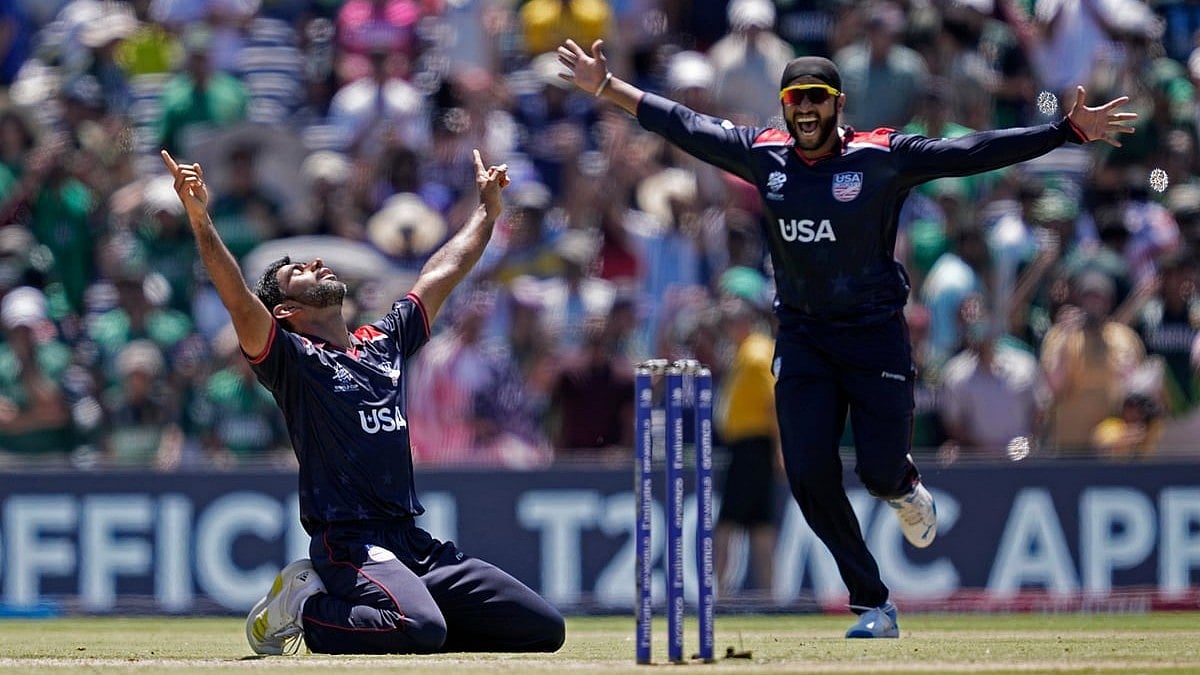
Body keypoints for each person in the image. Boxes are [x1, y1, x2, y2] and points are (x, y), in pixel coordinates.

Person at [555, 37, 1136, 638]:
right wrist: (607, 87)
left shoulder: (880, 155)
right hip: (805, 336)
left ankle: (906, 486)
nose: (804, 111)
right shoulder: (765, 154)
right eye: (794, 100)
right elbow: (685, 124)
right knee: (807, 474)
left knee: (881, 473)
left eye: (816, 100)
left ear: (838, 105)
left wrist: (1064, 131)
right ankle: (873, 603)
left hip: (875, 336)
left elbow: (968, 151)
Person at [161, 148, 565, 656]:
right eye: (297, 272)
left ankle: (411, 619)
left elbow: (441, 273)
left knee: (543, 630)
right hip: (350, 544)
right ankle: (306, 605)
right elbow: (239, 299)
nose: (314, 263)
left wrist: (486, 213)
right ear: (286, 309)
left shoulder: (382, 343)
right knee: (422, 630)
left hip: (412, 543)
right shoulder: (293, 360)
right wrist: (200, 219)